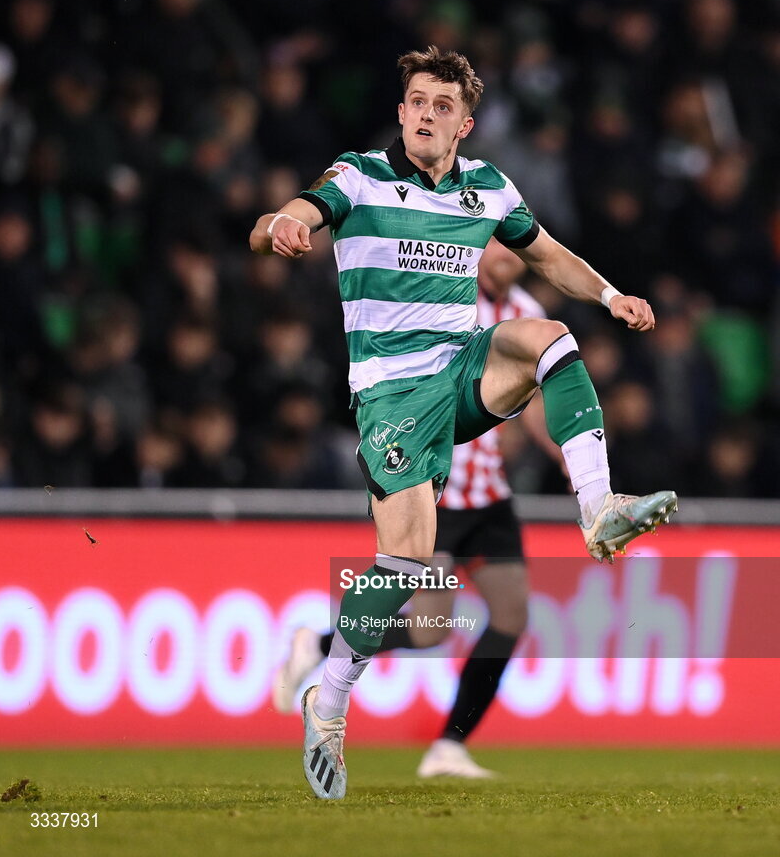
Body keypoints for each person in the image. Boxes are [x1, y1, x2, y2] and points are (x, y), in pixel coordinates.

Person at [250, 45, 677, 801]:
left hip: (463, 371)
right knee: (407, 566)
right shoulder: (358, 176)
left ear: (464, 124)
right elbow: (295, 212)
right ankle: (331, 697)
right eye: (416, 101)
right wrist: (279, 225)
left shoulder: (487, 188)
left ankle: (599, 507)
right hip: (392, 396)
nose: (424, 114)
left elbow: (546, 255)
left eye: (441, 106)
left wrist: (611, 296)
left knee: (549, 336)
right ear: (402, 110)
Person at [271, 241, 562, 778]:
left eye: (513, 249)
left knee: (512, 614)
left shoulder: (529, 314)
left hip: (489, 492)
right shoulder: (444, 302)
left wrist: (560, 448)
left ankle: (449, 745)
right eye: (495, 245)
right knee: (429, 627)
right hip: (437, 486)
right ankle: (318, 645)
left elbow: (537, 400)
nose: (505, 258)